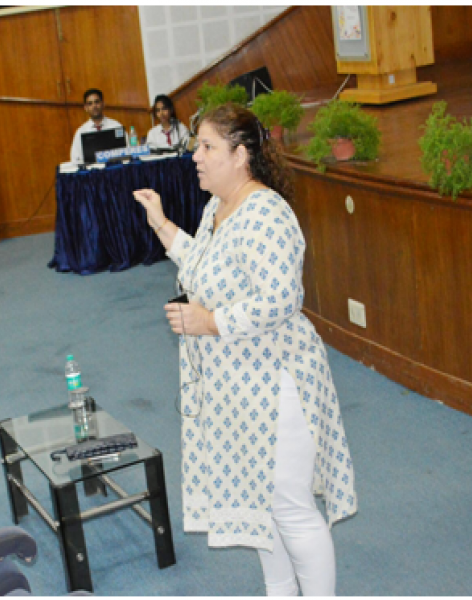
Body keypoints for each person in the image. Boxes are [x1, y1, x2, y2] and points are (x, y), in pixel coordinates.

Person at [133, 104, 357, 596]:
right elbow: (202, 263)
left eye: (207, 146)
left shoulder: (266, 213)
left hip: (276, 382)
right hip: (235, 384)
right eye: (196, 146)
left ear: (240, 155)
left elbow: (281, 299)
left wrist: (208, 322)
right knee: (260, 505)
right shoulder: (217, 208)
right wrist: (161, 224)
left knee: (289, 507)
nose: (196, 156)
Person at [69, 88, 124, 164]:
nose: (94, 106)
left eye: (97, 102)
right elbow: (75, 159)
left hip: (115, 169)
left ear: (103, 104)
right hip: (92, 170)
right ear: (85, 108)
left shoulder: (116, 126)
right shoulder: (81, 132)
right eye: (90, 104)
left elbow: (128, 151)